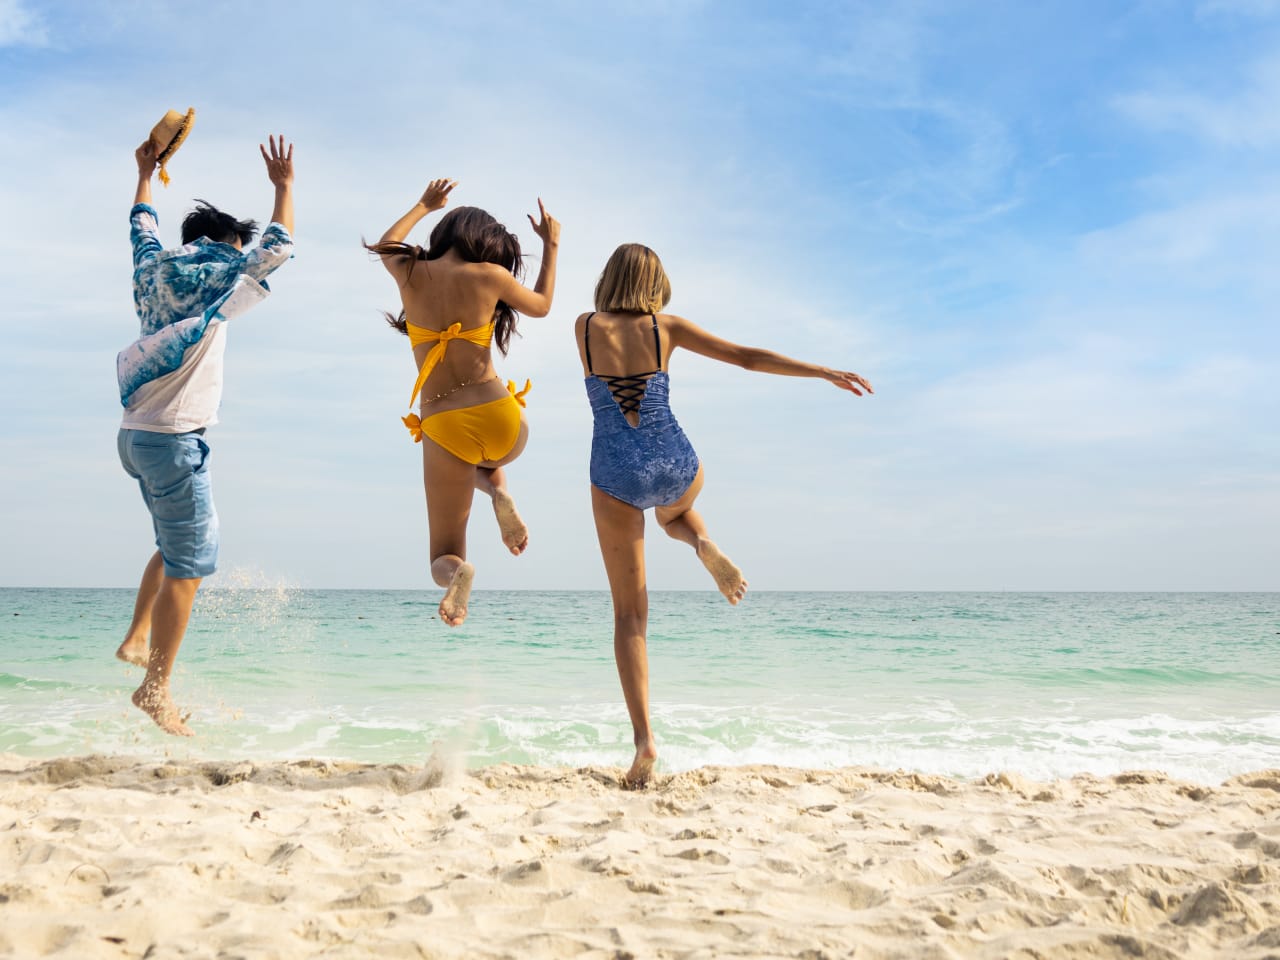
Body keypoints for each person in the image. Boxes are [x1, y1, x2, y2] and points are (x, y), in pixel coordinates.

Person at [576, 244, 874, 787]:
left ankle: (644, 741)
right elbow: (745, 357)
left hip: (613, 471)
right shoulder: (667, 327)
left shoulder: (585, 328)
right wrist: (822, 370)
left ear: (609, 278)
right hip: (673, 458)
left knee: (629, 618)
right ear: (656, 282)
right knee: (674, 516)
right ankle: (701, 542)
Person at [115, 134, 296, 736]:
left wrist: (145, 171)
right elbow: (276, 251)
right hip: (172, 439)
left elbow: (141, 226)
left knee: (172, 545)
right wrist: (284, 187)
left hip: (135, 438)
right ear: (227, 242)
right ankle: (156, 687)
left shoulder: (156, 268)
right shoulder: (222, 270)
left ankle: (138, 637)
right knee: (190, 566)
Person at [367, 180, 560, 627]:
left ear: (446, 231)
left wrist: (423, 204)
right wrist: (550, 245)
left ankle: (462, 572)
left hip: (443, 421)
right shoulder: (490, 277)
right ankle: (498, 490)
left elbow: (385, 246)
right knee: (487, 459)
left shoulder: (411, 272)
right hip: (502, 418)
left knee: (443, 552)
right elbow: (544, 305)